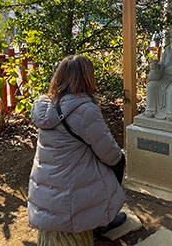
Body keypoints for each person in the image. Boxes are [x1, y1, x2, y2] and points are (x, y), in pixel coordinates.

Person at [28, 54, 126, 235]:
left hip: (43, 188)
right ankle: (104, 219)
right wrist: (119, 159)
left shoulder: (45, 105)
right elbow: (109, 154)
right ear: (87, 77)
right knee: (118, 160)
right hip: (69, 191)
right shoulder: (85, 110)